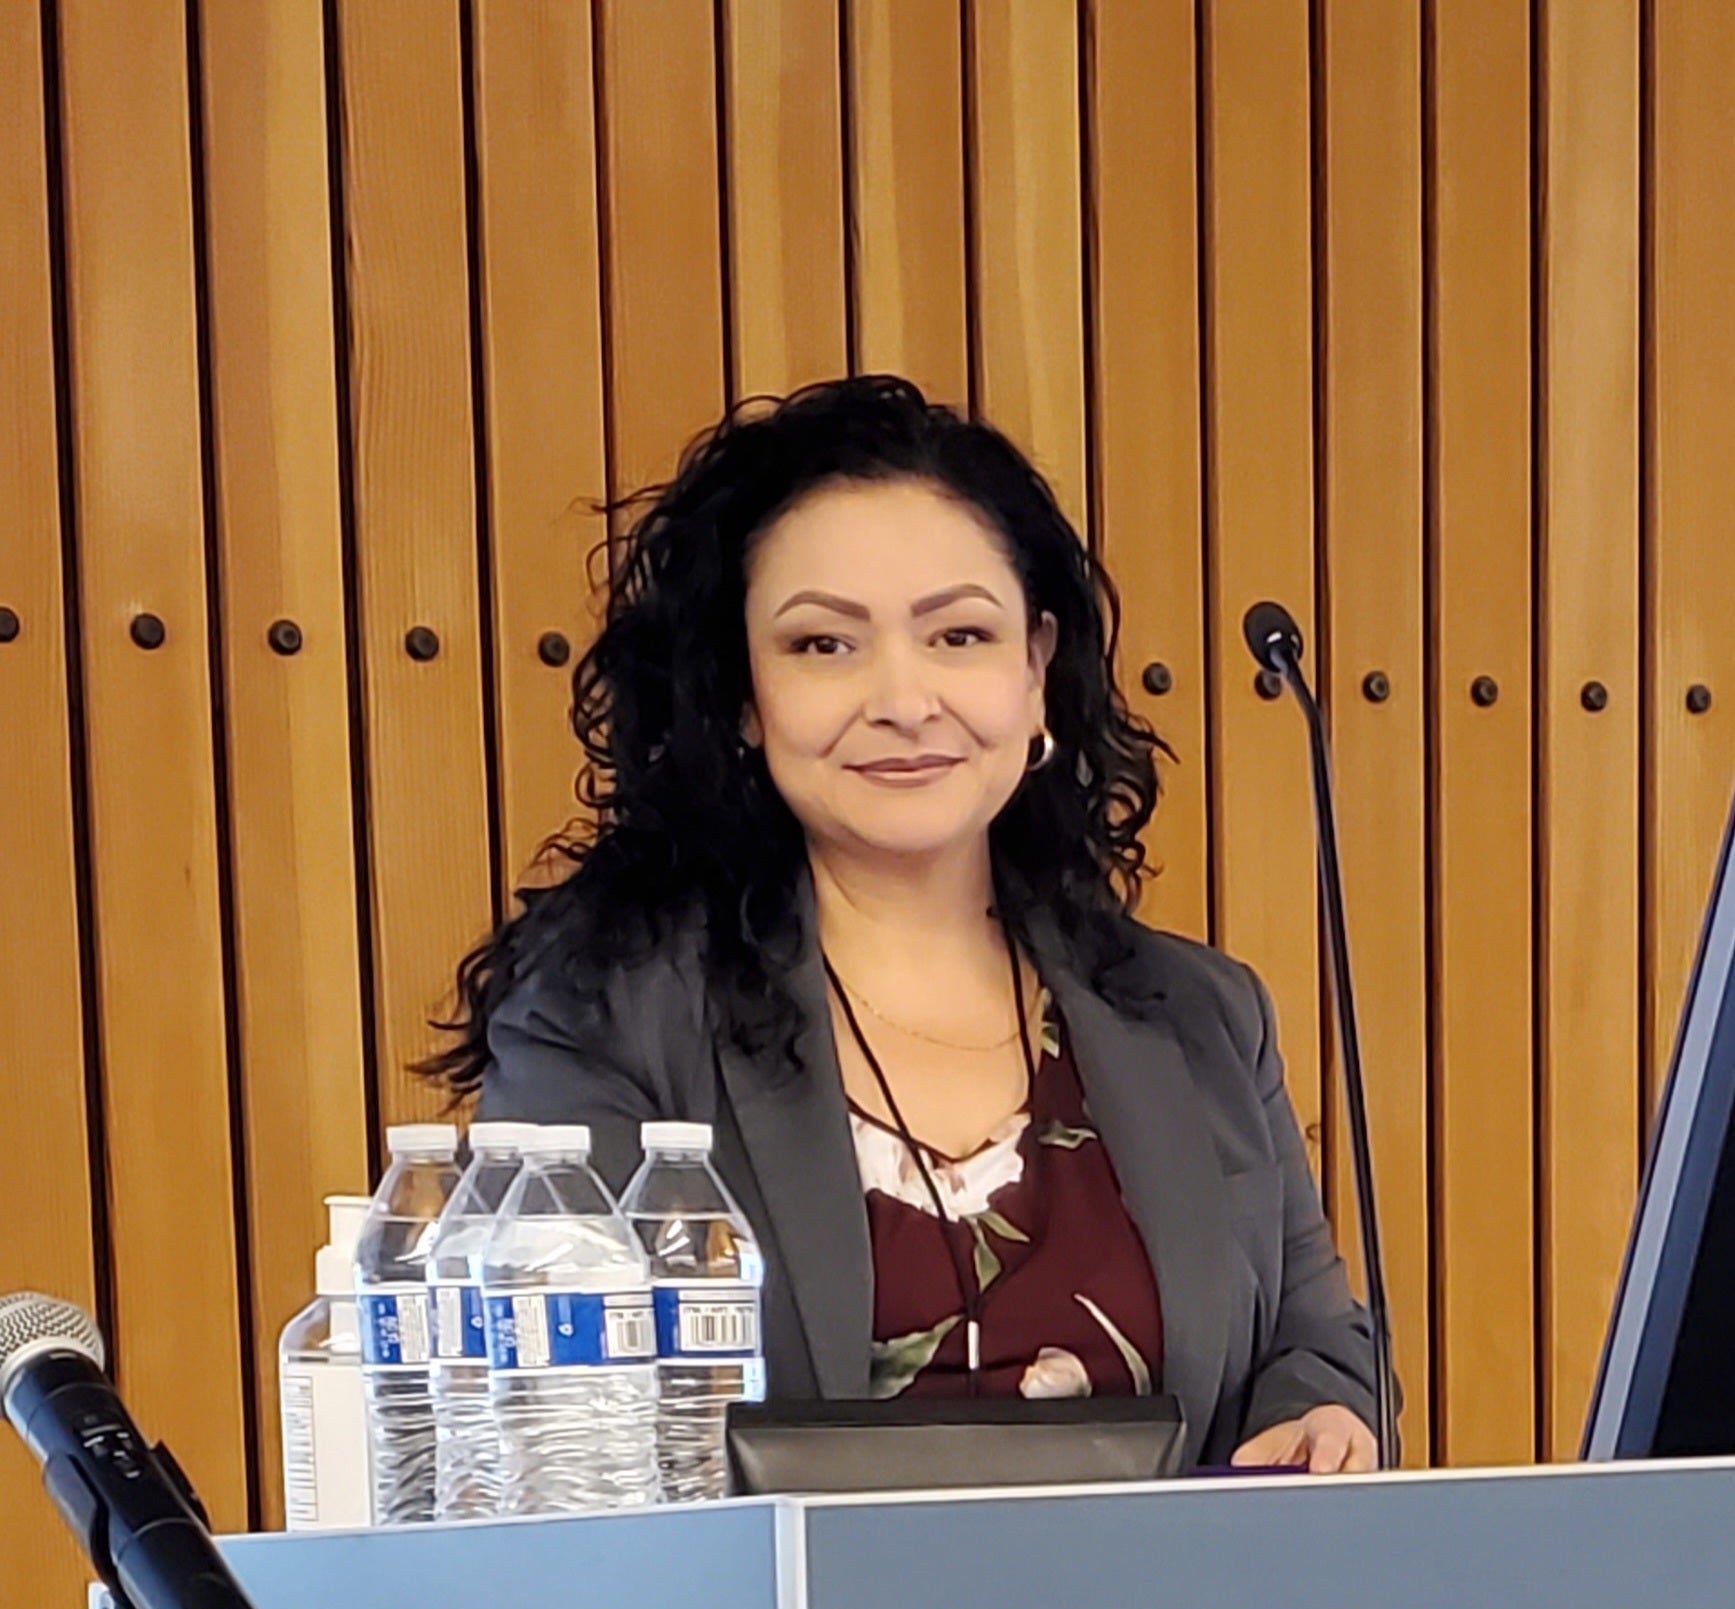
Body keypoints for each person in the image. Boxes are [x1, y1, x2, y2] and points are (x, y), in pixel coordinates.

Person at [429, 377, 1380, 1472]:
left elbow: (1315, 1335)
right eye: (823, 646)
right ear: (743, 695)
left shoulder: (1200, 1014)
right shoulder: (604, 1025)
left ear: (1035, 672)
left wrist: (1326, 1415)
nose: (903, 698)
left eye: (960, 636)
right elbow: (562, 1442)